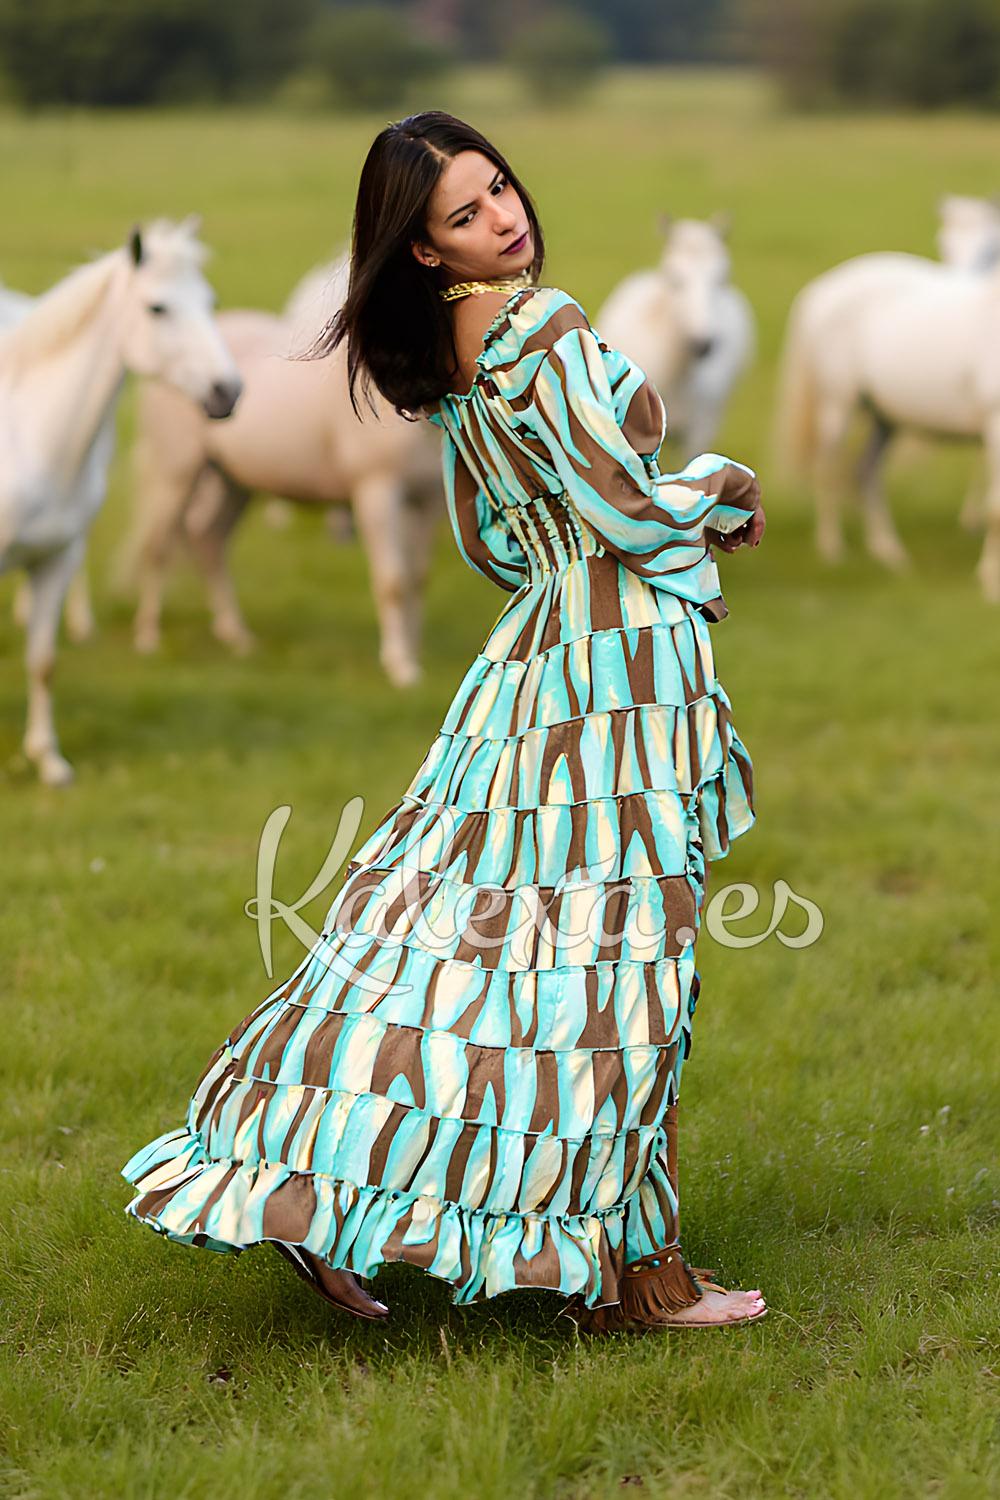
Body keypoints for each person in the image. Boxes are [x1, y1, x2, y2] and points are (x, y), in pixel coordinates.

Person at [121, 111, 768, 1332]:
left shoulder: (451, 352)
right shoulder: (543, 324)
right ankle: (638, 1283)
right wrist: (722, 489)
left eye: (500, 188)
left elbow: (486, 541)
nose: (502, 218)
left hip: (534, 660)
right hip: (619, 674)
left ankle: (311, 1187)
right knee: (616, 966)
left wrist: (575, 569)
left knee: (450, 941)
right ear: (421, 248)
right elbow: (629, 510)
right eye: (464, 215)